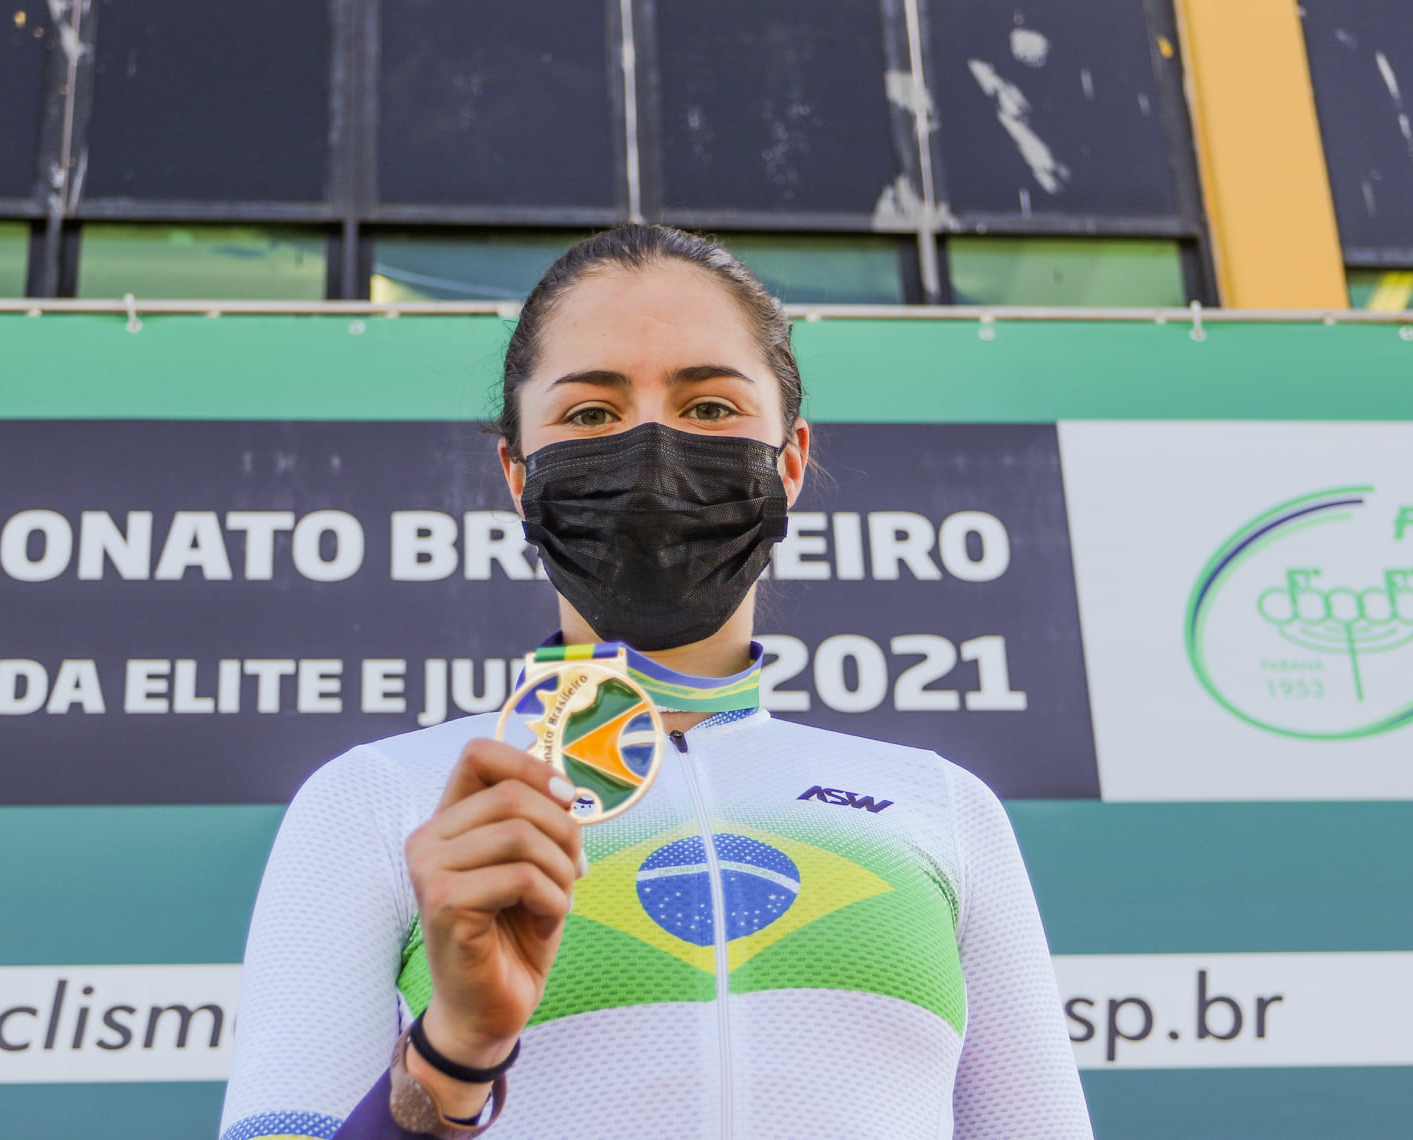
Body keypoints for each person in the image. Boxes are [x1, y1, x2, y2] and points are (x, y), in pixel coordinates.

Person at [220, 225, 1093, 1140]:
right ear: (517, 473)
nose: (652, 452)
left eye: (710, 407)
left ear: (791, 461)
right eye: (590, 415)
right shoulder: (381, 801)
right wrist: (455, 1051)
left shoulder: (941, 808)